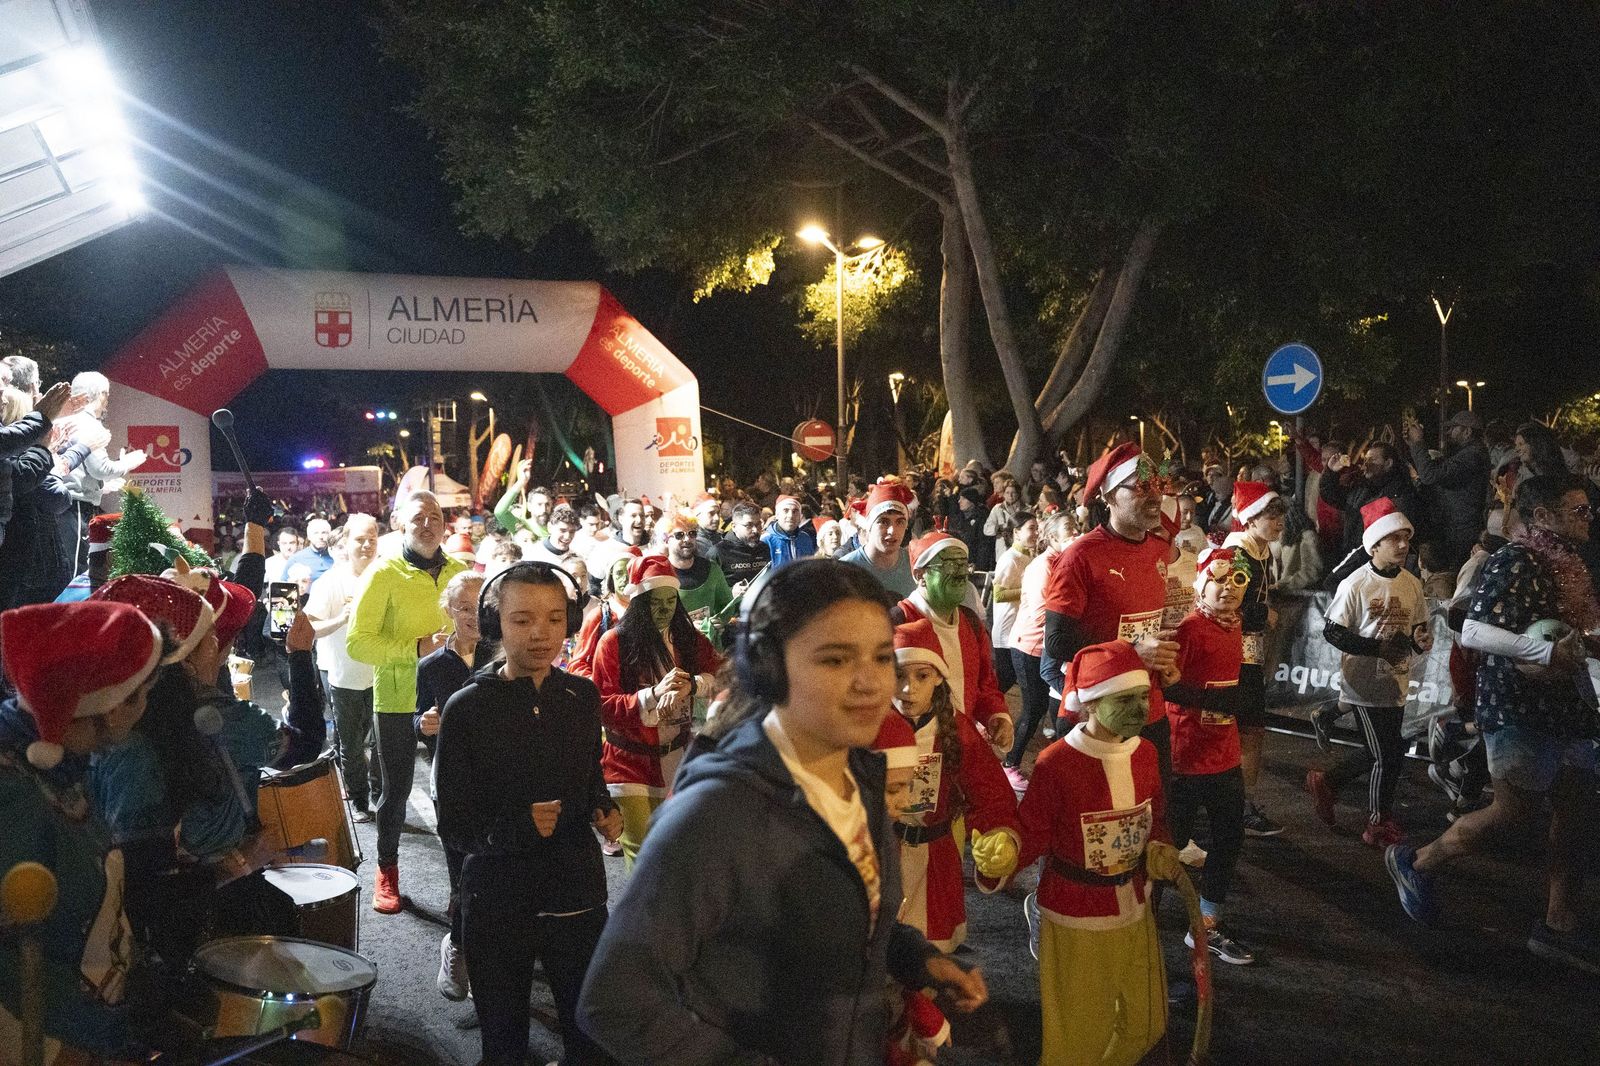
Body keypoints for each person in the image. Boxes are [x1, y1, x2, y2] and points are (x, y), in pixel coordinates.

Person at [577, 558, 987, 1065]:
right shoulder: (717, 814)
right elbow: (614, 1001)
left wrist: (912, 957)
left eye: (883, 658)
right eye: (836, 660)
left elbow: (834, 911)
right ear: (769, 668)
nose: (870, 683)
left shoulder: (860, 772)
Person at [1387, 475, 1600, 972]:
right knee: (1514, 814)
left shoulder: (1573, 567)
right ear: (1542, 516)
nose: (1589, 518)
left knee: (1575, 816)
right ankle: (1417, 861)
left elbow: (1579, 631)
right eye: (1579, 510)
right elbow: (1475, 629)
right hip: (1517, 707)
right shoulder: (1513, 559)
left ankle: (1558, 924)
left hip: (1570, 707)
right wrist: (1543, 650)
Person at [435, 562, 622, 1065]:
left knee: (591, 1042)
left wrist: (603, 807)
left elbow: (589, 775)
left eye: (555, 618)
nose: (541, 633)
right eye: (523, 620)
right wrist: (515, 827)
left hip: (575, 894)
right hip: (498, 900)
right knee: (504, 1047)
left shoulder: (581, 696)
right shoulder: (466, 708)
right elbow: (453, 823)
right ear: (495, 624)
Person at [0, 600, 164, 1063]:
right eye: (140, 693)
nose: (145, 708)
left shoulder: (62, 760)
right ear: (109, 705)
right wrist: (70, 1039)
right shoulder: (14, 796)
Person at [1013, 640, 1178, 1066]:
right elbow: (1029, 835)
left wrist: (1160, 845)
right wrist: (1001, 851)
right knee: (1078, 1036)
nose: (1141, 708)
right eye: (1125, 699)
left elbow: (1154, 817)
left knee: (1147, 1023)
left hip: (1135, 910)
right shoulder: (1057, 763)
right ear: (1091, 704)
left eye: (1144, 696)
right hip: (1077, 916)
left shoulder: (1146, 754)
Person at [347, 489, 468, 913]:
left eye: (435, 515)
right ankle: (387, 873)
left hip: (454, 698)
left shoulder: (461, 570)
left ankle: (463, 884)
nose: (429, 523)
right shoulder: (383, 573)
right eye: (418, 517)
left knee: (457, 792)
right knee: (395, 793)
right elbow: (358, 643)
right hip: (398, 699)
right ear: (399, 522)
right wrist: (414, 649)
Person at [878, 620, 1019, 951]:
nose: (908, 689)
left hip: (936, 865)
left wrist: (1000, 837)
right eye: (899, 675)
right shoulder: (867, 727)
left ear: (939, 677)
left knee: (932, 959)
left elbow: (991, 796)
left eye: (921, 676)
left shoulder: (956, 730)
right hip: (883, 858)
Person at [1041, 443, 1179, 777]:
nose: (1155, 496)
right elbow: (1056, 643)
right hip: (1095, 712)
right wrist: (1131, 652)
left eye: (1158, 486)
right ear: (1111, 495)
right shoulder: (1080, 556)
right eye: (1142, 487)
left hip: (1150, 708)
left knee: (1152, 812)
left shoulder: (1159, 549)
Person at [1307, 497, 1430, 848]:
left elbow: (1419, 628)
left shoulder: (1412, 583)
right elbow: (1333, 631)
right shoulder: (1356, 583)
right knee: (1386, 756)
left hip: (1396, 681)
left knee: (1385, 749)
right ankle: (1377, 823)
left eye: (1406, 539)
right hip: (1363, 684)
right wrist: (1376, 648)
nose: (1404, 545)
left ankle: (1327, 782)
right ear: (1374, 544)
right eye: (1395, 539)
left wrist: (1420, 640)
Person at [591, 555, 721, 866]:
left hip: (678, 758)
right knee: (645, 856)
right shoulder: (613, 643)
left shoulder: (689, 641)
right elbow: (603, 706)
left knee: (681, 853)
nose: (665, 610)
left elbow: (723, 675)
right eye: (655, 602)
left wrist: (694, 683)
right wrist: (652, 695)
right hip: (628, 763)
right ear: (639, 602)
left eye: (670, 601)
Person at [1164, 546, 1256, 965]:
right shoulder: (1189, 628)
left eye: (1236, 580)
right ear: (1201, 581)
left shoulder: (1236, 625)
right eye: (1218, 579)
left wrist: (1239, 700)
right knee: (1170, 845)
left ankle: (1208, 924)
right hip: (1186, 756)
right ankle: (1136, 918)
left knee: (1230, 837)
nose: (1228, 589)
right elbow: (1166, 685)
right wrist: (1212, 700)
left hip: (1225, 754)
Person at [889, 530, 1015, 752]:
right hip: (910, 750)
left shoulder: (970, 622)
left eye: (963, 566)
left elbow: (984, 684)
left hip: (959, 745)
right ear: (920, 575)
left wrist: (996, 716)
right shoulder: (897, 622)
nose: (960, 575)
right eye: (949, 566)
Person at [1223, 481, 1288, 837]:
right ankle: (1239, 808)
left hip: (1248, 654)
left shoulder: (1260, 551)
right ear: (1250, 518)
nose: (1279, 522)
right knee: (1247, 731)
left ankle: (1236, 804)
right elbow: (1225, 603)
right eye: (1271, 515)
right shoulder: (1238, 554)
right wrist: (1264, 615)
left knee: (1247, 730)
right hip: (1233, 655)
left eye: (1280, 515)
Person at [304, 513, 379, 821]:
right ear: (346, 542)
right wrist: (342, 619)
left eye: (372, 539)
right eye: (360, 539)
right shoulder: (331, 582)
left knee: (381, 742)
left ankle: (381, 795)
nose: (366, 545)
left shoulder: (384, 575)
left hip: (382, 672)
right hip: (343, 673)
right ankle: (360, 801)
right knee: (350, 742)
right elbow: (309, 626)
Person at [1005, 513, 1073, 791]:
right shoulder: (1042, 567)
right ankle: (1010, 764)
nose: (1075, 533)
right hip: (1029, 646)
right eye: (1069, 529)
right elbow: (1045, 612)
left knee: (1040, 707)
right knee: (1032, 709)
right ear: (1053, 537)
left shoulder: (1062, 563)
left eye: (1076, 527)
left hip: (1045, 646)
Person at [55, 373, 143, 571]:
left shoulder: (62, 421)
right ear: (101, 394)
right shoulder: (89, 424)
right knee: (78, 569)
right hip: (75, 505)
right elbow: (101, 469)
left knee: (62, 568)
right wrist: (128, 462)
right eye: (107, 396)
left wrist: (101, 487)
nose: (106, 403)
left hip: (57, 503)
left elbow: (78, 469)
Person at [1406, 410, 1491, 572]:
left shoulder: (1471, 456)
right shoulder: (1469, 453)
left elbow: (1430, 476)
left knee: (1454, 576)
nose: (1449, 432)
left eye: (1454, 428)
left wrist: (1418, 443)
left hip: (1462, 530)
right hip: (1459, 526)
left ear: (1467, 431)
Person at [1320, 440, 1420, 563]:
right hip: (1354, 556)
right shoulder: (1361, 488)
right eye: (1366, 459)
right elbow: (1333, 497)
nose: (1366, 464)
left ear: (1388, 463)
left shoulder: (1399, 494)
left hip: (1377, 563)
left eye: (1372, 459)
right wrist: (1331, 473)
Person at [659, 510, 733, 644]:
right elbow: (655, 622)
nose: (687, 539)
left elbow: (727, 606)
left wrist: (719, 622)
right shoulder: (659, 575)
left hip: (709, 650)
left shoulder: (711, 569)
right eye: (679, 535)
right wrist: (684, 627)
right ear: (666, 540)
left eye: (692, 533)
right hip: (676, 651)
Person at [840, 478, 918, 597]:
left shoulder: (916, 567)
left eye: (900, 522)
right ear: (868, 525)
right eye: (884, 522)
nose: (892, 531)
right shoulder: (845, 570)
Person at [990, 514, 1037, 694]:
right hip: (1006, 630)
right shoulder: (1010, 559)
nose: (1036, 533)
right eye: (1031, 528)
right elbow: (999, 594)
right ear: (1017, 532)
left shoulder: (1029, 557)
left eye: (1036, 529)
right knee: (1005, 678)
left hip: (1020, 630)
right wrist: (1028, 591)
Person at [708, 501, 771, 596]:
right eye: (748, 525)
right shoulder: (718, 552)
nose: (755, 530)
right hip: (732, 608)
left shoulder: (763, 548)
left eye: (758, 524)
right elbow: (709, 591)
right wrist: (731, 592)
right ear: (734, 526)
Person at [494, 462, 554, 541]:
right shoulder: (522, 526)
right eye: (539, 504)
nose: (544, 509)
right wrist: (521, 482)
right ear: (529, 506)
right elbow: (500, 512)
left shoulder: (558, 528)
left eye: (547, 505)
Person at [762, 493, 817, 569]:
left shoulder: (805, 538)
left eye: (795, 511)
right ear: (777, 515)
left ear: (800, 516)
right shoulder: (766, 540)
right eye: (786, 510)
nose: (791, 515)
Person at [287, 517, 335, 584]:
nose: (320, 537)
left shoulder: (336, 556)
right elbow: (285, 585)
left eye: (324, 533)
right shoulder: (296, 559)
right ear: (309, 536)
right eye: (316, 533)